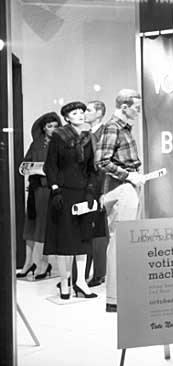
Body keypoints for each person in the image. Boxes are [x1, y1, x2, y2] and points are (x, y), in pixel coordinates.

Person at [44, 101, 98, 300]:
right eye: (75, 113)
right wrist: (55, 189)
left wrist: (91, 191)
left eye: (82, 112)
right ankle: (65, 282)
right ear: (67, 117)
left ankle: (81, 282)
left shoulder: (88, 137)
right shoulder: (59, 136)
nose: (80, 115)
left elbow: (92, 169)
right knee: (64, 239)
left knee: (83, 239)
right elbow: (51, 166)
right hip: (64, 194)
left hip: (83, 194)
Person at [96, 89, 144, 313]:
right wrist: (128, 175)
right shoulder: (113, 127)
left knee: (124, 241)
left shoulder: (122, 128)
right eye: (135, 107)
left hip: (128, 186)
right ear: (124, 106)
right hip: (120, 189)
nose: (138, 111)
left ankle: (122, 294)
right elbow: (102, 161)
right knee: (119, 242)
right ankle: (114, 298)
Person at [18, 112, 61, 280]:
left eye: (56, 126)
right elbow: (24, 165)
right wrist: (35, 168)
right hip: (36, 190)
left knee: (44, 228)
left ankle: (44, 263)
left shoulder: (61, 143)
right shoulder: (36, 144)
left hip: (51, 190)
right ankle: (29, 263)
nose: (52, 129)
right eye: (49, 126)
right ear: (44, 128)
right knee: (30, 226)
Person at [84, 100, 108, 288]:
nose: (85, 113)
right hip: (85, 189)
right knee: (86, 230)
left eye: (89, 110)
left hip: (100, 188)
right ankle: (82, 275)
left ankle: (99, 273)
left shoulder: (105, 133)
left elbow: (105, 167)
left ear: (99, 113)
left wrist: (103, 192)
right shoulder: (84, 136)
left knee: (99, 231)